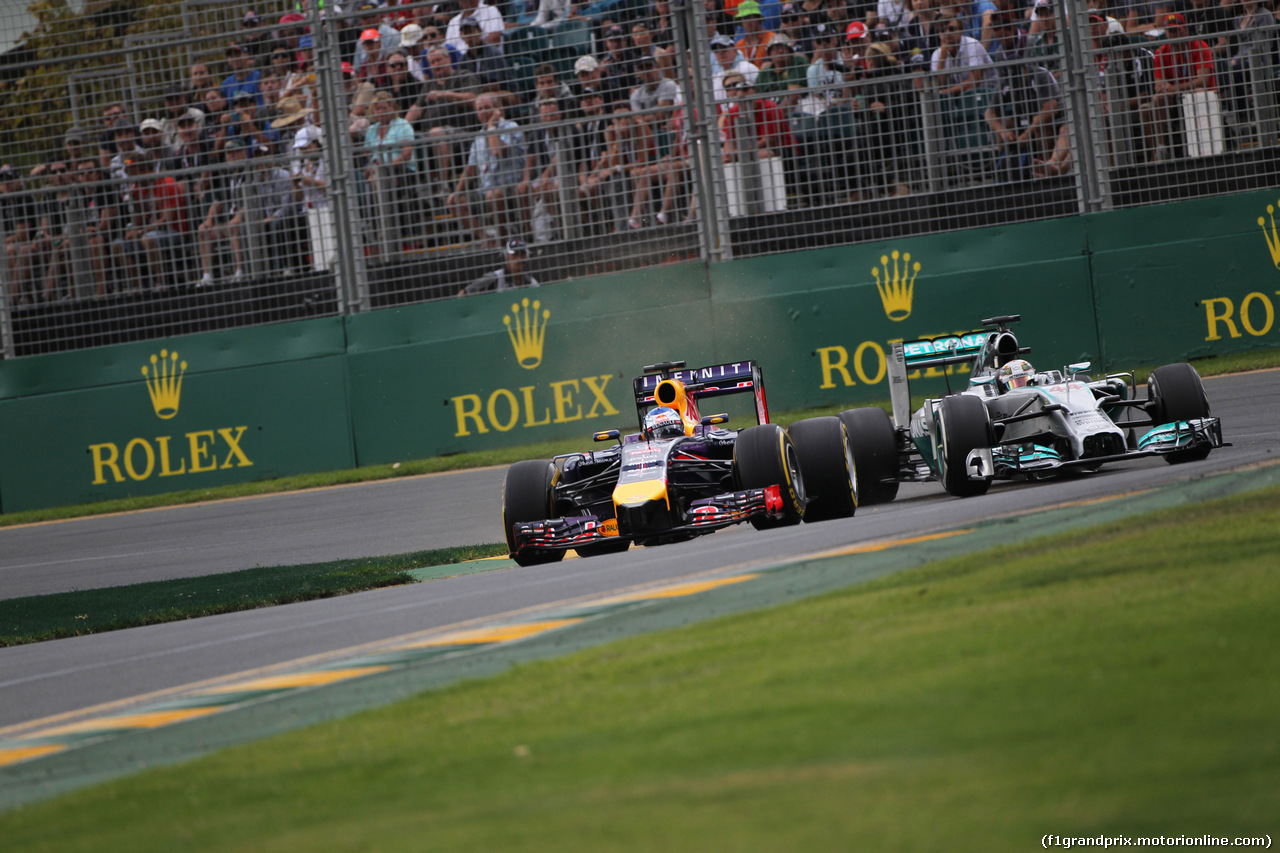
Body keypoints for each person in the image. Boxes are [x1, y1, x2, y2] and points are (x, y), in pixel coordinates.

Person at [449, 93, 524, 247]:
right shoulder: (479, 137)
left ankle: (503, 241)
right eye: (480, 109)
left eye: (487, 108)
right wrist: (457, 192)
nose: (483, 112)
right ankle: (486, 238)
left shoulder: (511, 127)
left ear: (497, 109)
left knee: (493, 195)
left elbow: (497, 151)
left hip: (509, 187)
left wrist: (491, 126)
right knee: (455, 202)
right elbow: (470, 169)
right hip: (485, 189)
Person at [1141, 12, 1216, 160]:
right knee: (1156, 100)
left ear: (1185, 30)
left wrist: (1175, 88)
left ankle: (1204, 148)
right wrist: (1167, 89)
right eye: (1170, 31)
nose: (1173, 34)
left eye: (1176, 30)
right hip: (1175, 99)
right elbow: (1158, 85)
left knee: (1199, 91)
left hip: (1201, 94)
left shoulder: (1200, 46)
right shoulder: (1161, 52)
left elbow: (1203, 80)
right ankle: (1160, 149)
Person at [420, 46, 483, 191]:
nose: (436, 64)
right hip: (429, 134)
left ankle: (442, 185)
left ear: (448, 59)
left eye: (439, 60)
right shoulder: (429, 85)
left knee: (437, 133)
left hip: (462, 132)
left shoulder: (463, 76)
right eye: (433, 62)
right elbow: (416, 108)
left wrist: (445, 94)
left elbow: (474, 98)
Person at [194, 137, 250, 286]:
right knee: (203, 230)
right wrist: (209, 220)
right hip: (230, 222)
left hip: (248, 219)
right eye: (228, 153)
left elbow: (251, 200)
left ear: (244, 153)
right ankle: (207, 276)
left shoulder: (250, 172)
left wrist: (238, 217)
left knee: (233, 226)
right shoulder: (227, 176)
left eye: (234, 152)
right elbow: (218, 202)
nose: (230, 156)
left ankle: (240, 272)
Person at [459, 238, 538, 294]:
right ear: (506, 257)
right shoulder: (495, 278)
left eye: (522, 255)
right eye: (515, 255)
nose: (519, 259)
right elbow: (464, 293)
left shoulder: (531, 282)